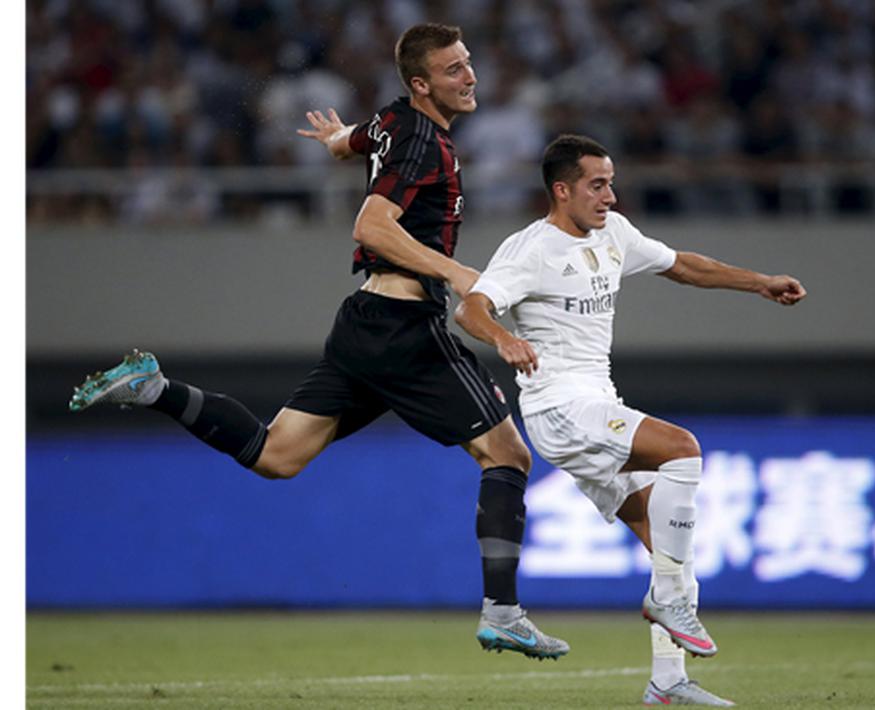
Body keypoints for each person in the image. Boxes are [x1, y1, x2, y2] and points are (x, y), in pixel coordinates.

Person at [67, 23, 568, 661]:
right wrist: (455, 271)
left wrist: (337, 139)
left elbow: (357, 141)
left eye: (467, 63)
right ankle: (503, 612)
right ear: (421, 84)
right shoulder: (424, 142)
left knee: (277, 455)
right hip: (404, 328)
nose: (469, 76)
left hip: (360, 324)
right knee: (508, 456)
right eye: (452, 70)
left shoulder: (394, 121)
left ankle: (157, 389)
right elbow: (371, 224)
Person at [455, 134, 806, 705]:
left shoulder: (614, 234)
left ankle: (667, 682)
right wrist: (505, 340)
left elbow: (684, 265)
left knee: (668, 545)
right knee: (682, 449)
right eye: (597, 184)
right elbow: (471, 307)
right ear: (561, 190)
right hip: (558, 406)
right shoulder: (530, 249)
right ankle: (667, 602)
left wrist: (759, 282)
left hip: (599, 404)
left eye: (611, 182)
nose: (610, 196)